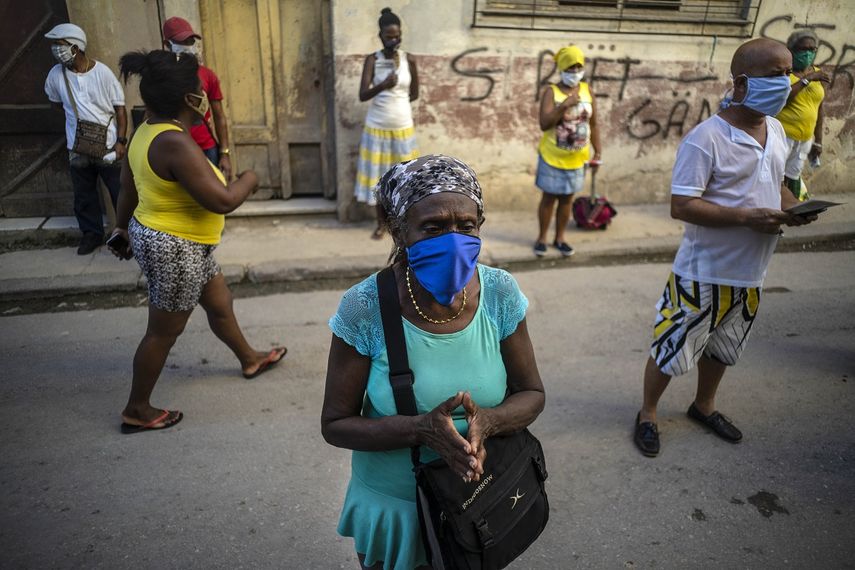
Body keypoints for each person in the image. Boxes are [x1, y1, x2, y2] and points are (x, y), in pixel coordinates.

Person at [321, 155, 545, 569]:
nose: (454, 239)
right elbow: (335, 424)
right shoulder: (365, 308)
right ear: (399, 228)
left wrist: (492, 421)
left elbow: (531, 393)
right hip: (398, 504)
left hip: (477, 500)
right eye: (434, 227)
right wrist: (421, 430)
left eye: (467, 226)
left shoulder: (500, 293)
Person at [633, 38, 817, 458]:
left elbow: (780, 189)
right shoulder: (706, 139)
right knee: (671, 350)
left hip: (751, 275)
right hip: (701, 274)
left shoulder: (776, 130)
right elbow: (683, 205)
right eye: (775, 74)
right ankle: (647, 413)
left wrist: (797, 209)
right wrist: (747, 217)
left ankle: (704, 406)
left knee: (723, 349)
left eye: (788, 72)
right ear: (740, 83)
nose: (787, 82)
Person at [109, 50, 286, 432]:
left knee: (219, 303)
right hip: (175, 246)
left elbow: (127, 188)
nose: (203, 95)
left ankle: (249, 358)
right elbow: (222, 200)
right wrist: (251, 179)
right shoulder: (174, 142)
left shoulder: (146, 130)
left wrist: (121, 229)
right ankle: (137, 408)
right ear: (191, 98)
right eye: (199, 89)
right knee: (162, 331)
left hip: (183, 242)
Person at [44, 23, 127, 255]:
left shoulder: (103, 74)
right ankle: (91, 235)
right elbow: (56, 104)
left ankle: (129, 234)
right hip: (77, 147)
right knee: (83, 195)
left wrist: (121, 141)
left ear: (76, 47)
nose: (56, 50)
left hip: (108, 146)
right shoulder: (55, 75)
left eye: (60, 46)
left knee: (120, 192)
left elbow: (120, 109)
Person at [354, 7, 419, 240]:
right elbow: (363, 94)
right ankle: (381, 224)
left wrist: (397, 104)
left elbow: (414, 94)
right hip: (377, 128)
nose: (394, 40)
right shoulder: (373, 60)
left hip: (403, 128)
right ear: (380, 36)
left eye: (397, 35)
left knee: (405, 177)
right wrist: (383, 85)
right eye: (389, 36)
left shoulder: (409, 59)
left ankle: (404, 222)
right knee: (379, 178)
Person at [533, 45, 601, 258]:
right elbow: (544, 123)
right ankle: (542, 238)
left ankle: (560, 238)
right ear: (562, 68)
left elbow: (595, 124)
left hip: (577, 158)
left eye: (579, 67)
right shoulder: (550, 92)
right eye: (571, 67)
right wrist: (564, 106)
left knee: (567, 200)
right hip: (552, 157)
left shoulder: (587, 91)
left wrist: (598, 152)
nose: (575, 72)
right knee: (549, 199)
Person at [162, 16, 232, 180]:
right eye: (182, 42)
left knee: (211, 200)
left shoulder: (207, 75)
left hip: (207, 150)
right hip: (176, 150)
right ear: (167, 45)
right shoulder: (162, 78)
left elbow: (219, 116)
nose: (188, 46)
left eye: (190, 41)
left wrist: (225, 153)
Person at [776, 29, 829, 201]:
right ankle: (770, 210)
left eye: (811, 49)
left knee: (793, 174)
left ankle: (790, 210)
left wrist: (818, 141)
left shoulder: (818, 74)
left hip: (805, 138)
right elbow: (782, 99)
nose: (807, 53)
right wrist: (807, 79)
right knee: (775, 174)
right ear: (791, 50)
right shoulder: (783, 73)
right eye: (802, 49)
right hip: (783, 135)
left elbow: (819, 109)